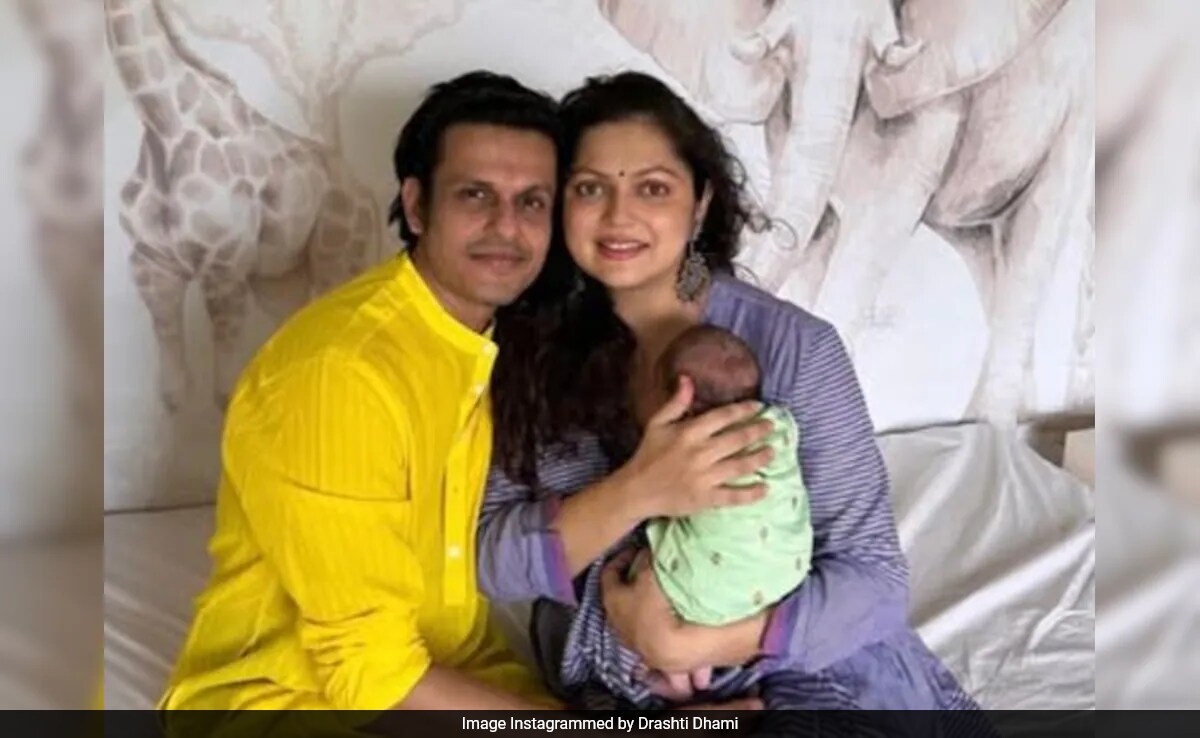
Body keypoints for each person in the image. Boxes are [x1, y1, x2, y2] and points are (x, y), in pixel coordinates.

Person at [478, 71, 983, 721]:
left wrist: (694, 642)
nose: (618, 215)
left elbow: (875, 585)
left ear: (700, 204)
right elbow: (489, 558)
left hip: (801, 665)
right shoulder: (526, 352)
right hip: (622, 689)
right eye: (590, 188)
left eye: (653, 188)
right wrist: (640, 490)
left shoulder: (794, 349)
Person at [158, 71, 569, 725]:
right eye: (475, 194)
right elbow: (369, 674)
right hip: (284, 703)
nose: (506, 226)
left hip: (445, 675)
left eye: (532, 202)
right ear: (416, 205)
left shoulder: (482, 345)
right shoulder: (343, 374)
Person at [626, 323, 812, 701]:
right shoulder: (781, 425)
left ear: (683, 396)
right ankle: (706, 672)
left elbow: (661, 498)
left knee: (650, 567)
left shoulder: (689, 447)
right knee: (716, 575)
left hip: (713, 580)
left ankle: (681, 685)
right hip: (785, 570)